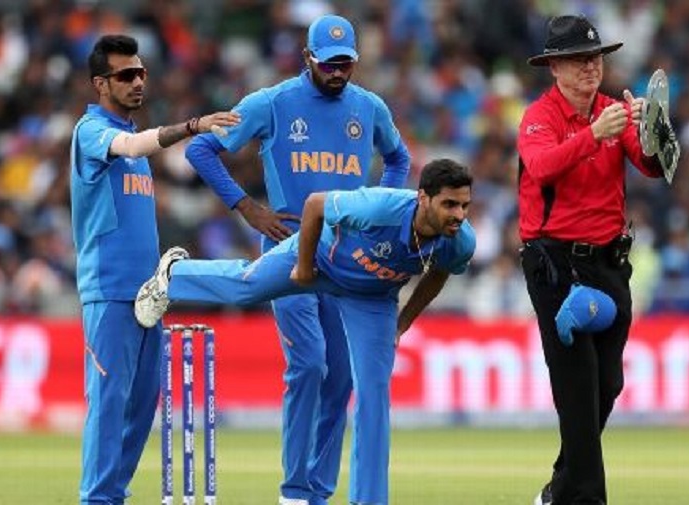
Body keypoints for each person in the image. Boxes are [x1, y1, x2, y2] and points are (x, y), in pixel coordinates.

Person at [136, 158, 475, 505]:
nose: (459, 215)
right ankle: (175, 274)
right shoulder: (379, 207)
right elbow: (315, 205)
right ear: (423, 198)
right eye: (449, 204)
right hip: (320, 260)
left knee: (374, 396)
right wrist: (302, 265)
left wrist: (402, 323)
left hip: (371, 298)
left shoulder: (460, 240)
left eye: (464, 205)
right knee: (247, 287)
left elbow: (440, 272)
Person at [183, 14, 410, 505]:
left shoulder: (369, 107)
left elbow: (399, 159)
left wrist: (378, 211)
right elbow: (201, 149)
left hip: (346, 257)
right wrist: (247, 207)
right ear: (307, 57)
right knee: (309, 364)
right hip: (289, 253)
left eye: (346, 64)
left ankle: (318, 493)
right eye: (328, 64)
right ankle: (294, 492)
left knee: (342, 376)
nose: (337, 72)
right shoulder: (272, 103)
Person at [70, 34, 239, 504]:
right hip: (108, 291)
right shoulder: (92, 131)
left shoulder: (136, 152)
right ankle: (97, 499)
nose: (138, 82)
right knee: (109, 403)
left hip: (147, 295)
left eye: (141, 73)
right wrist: (192, 126)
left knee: (143, 405)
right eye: (126, 75)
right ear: (101, 83)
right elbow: (130, 145)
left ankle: (113, 495)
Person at [516, 15, 675, 505]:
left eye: (595, 58)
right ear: (554, 68)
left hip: (608, 265)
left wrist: (653, 130)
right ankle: (584, 498)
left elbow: (653, 167)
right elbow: (541, 167)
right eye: (578, 60)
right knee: (578, 388)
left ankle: (558, 491)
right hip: (556, 266)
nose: (590, 67)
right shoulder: (539, 117)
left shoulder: (613, 112)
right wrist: (592, 134)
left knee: (607, 383)